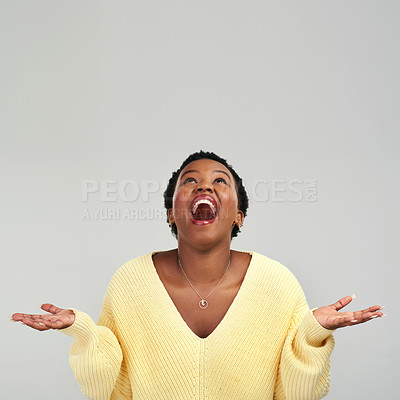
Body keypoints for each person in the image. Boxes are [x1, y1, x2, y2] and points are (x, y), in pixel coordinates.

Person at [10, 151, 385, 400]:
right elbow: (110, 387)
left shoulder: (277, 284)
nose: (204, 185)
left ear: (239, 215)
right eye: (189, 181)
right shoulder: (131, 280)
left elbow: (295, 394)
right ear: (171, 213)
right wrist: (83, 330)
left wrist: (311, 334)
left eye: (220, 181)